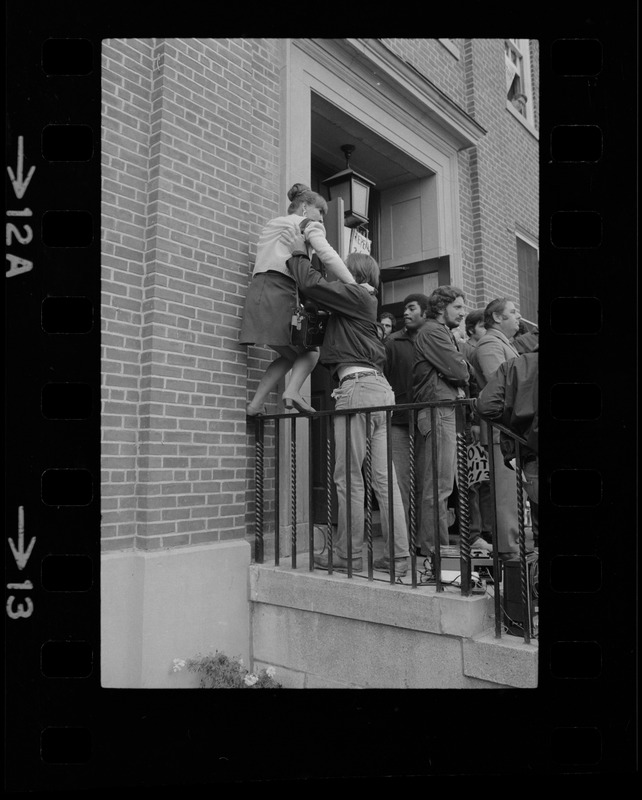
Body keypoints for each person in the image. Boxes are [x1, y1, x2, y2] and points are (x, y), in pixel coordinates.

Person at [283, 231, 410, 577]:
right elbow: (316, 306)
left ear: (352, 273)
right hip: (378, 391)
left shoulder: (357, 296)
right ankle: (399, 558)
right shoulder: (359, 305)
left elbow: (310, 283)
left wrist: (300, 251)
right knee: (384, 481)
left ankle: (348, 556)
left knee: (349, 478)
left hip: (357, 389)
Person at [240, 183, 358, 416]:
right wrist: (353, 285)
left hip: (259, 291)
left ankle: (255, 405)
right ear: (305, 207)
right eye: (321, 212)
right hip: (280, 290)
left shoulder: (273, 224)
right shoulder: (307, 224)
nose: (322, 220)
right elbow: (328, 256)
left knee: (290, 356)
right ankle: (292, 392)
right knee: (311, 352)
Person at [412, 286, 470, 558]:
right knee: (439, 485)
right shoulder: (433, 331)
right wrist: (460, 370)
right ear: (441, 307)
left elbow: (460, 370)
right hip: (438, 409)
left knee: (442, 484)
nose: (462, 312)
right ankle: (437, 552)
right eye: (457, 307)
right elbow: (460, 370)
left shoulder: (440, 332)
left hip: (442, 409)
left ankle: (437, 549)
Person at [470, 297, 523, 560]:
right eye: (513, 312)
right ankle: (509, 552)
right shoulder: (490, 343)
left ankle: (514, 546)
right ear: (497, 318)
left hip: (512, 429)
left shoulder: (506, 344)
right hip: (501, 430)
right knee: (504, 494)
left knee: (512, 492)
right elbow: (498, 387)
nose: (519, 317)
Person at [476, 347, 538, 547]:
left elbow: (485, 406)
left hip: (530, 453)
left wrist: (518, 428)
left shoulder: (516, 364)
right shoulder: (512, 362)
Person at [384, 294, 430, 536]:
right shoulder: (391, 342)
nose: (406, 313)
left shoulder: (433, 340)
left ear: (425, 312)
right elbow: (382, 377)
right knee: (399, 484)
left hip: (425, 422)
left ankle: (424, 541)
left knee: (425, 483)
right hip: (397, 423)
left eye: (412, 308)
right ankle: (402, 542)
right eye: (404, 309)